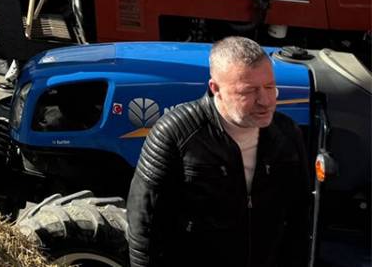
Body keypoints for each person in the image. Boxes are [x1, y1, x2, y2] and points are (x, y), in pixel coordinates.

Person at [127, 36, 310, 267]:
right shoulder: (176, 132)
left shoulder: (286, 134)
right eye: (248, 91)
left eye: (270, 87)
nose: (265, 101)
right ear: (216, 89)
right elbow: (144, 225)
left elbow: (299, 217)